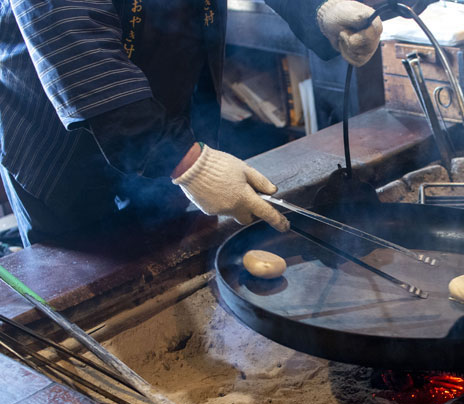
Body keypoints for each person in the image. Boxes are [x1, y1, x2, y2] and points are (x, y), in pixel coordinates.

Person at [0, 0, 383, 246]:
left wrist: (317, 10)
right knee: (85, 300)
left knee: (169, 257)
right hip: (61, 141)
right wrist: (187, 163)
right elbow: (75, 44)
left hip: (169, 112)